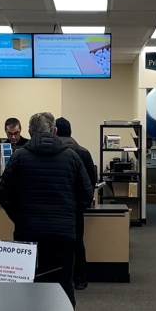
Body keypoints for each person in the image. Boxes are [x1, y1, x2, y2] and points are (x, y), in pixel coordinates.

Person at [0, 112, 93, 307]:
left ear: (30, 132)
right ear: (55, 131)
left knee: (28, 286)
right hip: (63, 234)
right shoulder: (72, 157)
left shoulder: (18, 158)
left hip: (28, 232)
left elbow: (5, 195)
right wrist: (69, 216)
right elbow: (86, 194)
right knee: (63, 287)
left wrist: (19, 218)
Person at [54, 117, 97, 291]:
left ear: (55, 131)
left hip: (57, 204)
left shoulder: (55, 151)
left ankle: (59, 277)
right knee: (77, 241)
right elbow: (91, 181)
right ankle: (80, 278)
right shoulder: (83, 152)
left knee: (56, 243)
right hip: (76, 205)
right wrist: (84, 203)